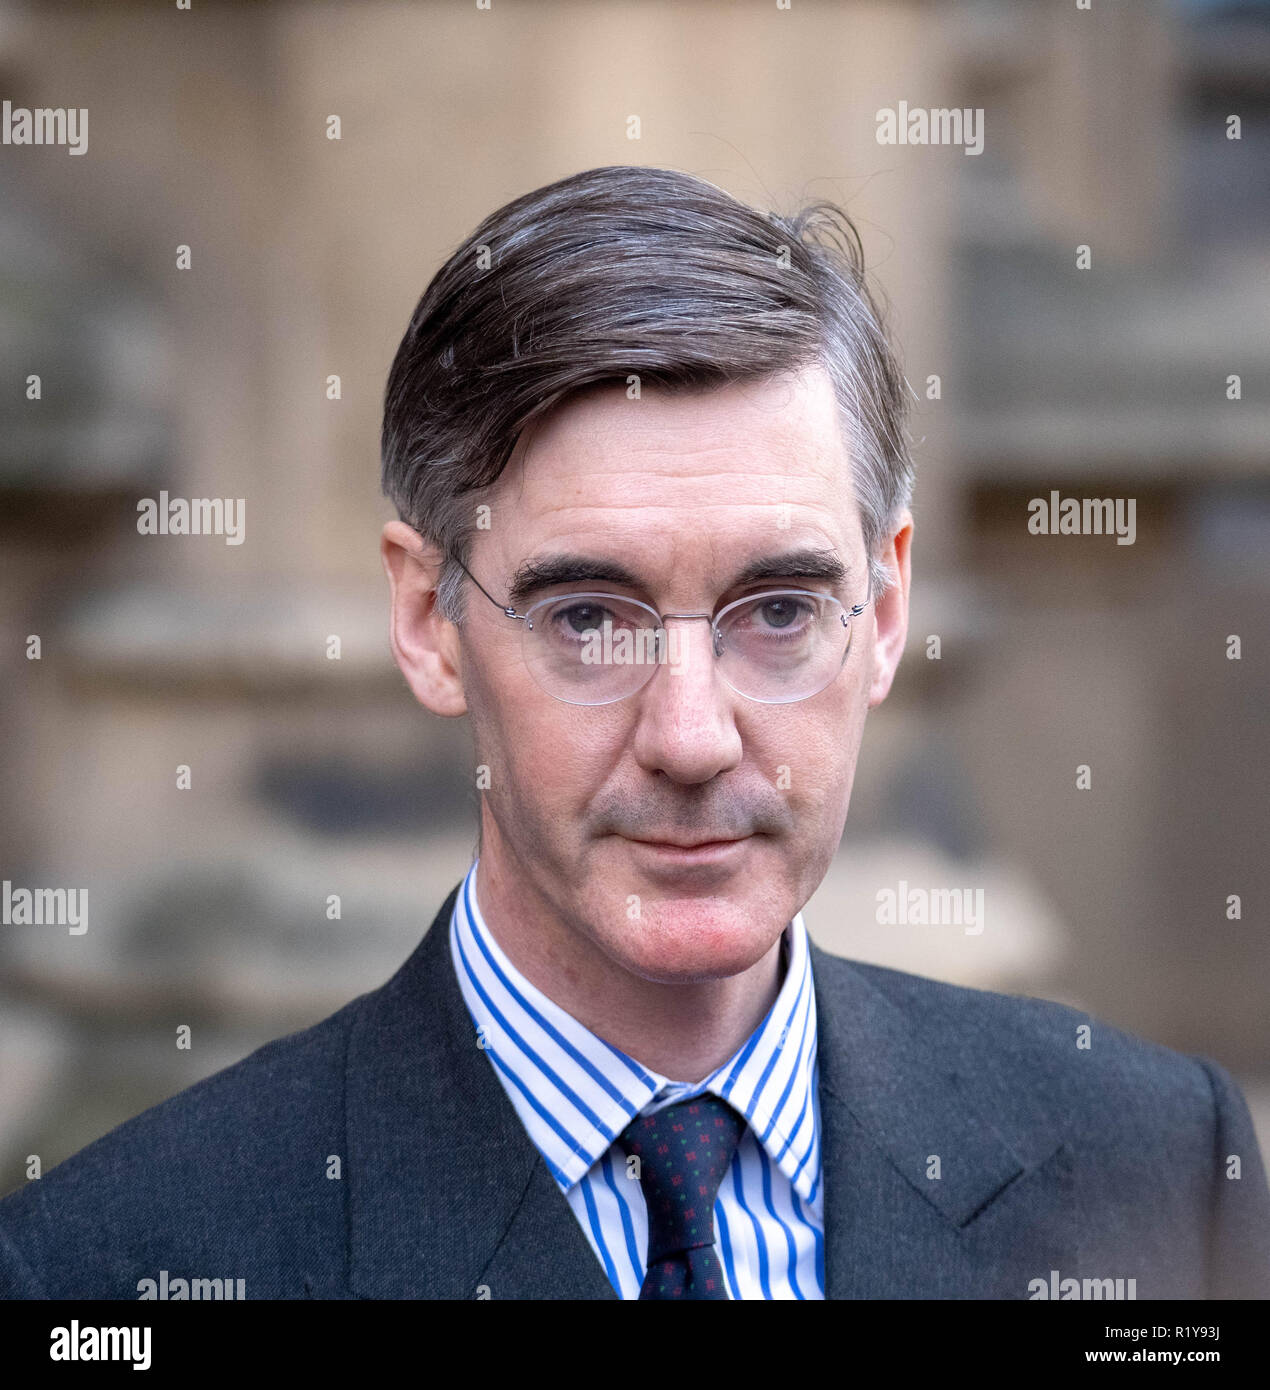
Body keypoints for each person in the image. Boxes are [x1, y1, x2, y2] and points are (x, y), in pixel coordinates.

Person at [2, 166, 1267, 1300]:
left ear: (884, 613)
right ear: (426, 618)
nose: (692, 734)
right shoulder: (117, 1267)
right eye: (589, 618)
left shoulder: (1153, 1165)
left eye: (777, 609)